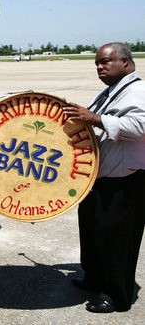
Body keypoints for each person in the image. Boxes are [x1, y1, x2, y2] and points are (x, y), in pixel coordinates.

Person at [63, 42, 145, 313]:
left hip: (124, 180)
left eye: (105, 62)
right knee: (93, 233)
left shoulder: (139, 91)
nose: (99, 67)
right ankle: (95, 278)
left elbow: (139, 126)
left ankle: (116, 294)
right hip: (98, 178)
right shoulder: (110, 92)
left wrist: (95, 119)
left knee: (118, 240)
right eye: (97, 63)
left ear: (126, 62)